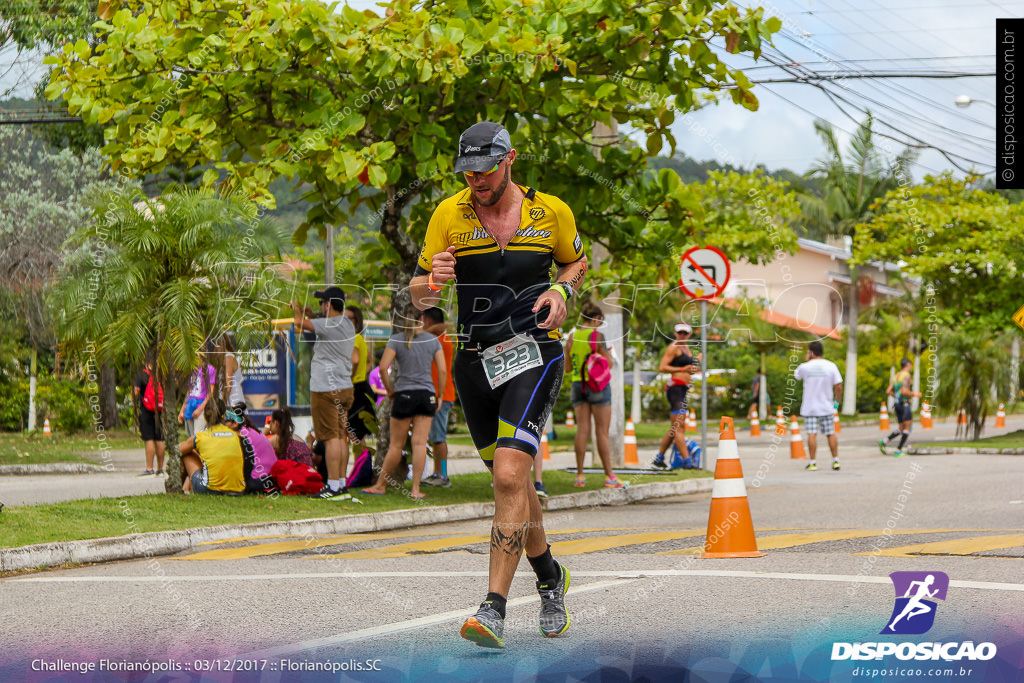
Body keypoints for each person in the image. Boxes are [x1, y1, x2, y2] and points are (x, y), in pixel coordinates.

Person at [411, 121, 586, 649]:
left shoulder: (549, 211)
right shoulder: (448, 214)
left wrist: (561, 291)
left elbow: (576, 263)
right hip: (476, 363)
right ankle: (551, 576)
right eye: (467, 170)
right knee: (513, 486)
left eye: (484, 169)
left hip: (535, 354)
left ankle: (493, 609)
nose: (476, 179)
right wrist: (431, 282)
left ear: (509, 159)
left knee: (512, 475)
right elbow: (420, 295)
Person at [360, 317, 445, 499]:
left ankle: (380, 485)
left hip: (403, 395)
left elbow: (383, 368)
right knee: (420, 443)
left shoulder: (397, 339)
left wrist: (390, 391)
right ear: (421, 319)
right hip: (426, 395)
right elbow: (443, 371)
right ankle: (415, 489)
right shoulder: (432, 341)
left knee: (396, 446)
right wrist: (440, 396)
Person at [291, 287, 357, 499]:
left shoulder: (328, 324)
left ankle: (333, 486)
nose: (320, 306)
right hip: (344, 386)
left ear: (328, 304)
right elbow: (318, 325)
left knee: (330, 439)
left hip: (325, 389)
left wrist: (298, 310)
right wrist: (311, 314)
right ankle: (342, 484)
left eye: (322, 303)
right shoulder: (347, 323)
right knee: (341, 436)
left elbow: (299, 324)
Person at [563, 301, 627, 489]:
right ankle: (609, 477)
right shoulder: (597, 336)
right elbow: (609, 363)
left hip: (577, 385)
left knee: (582, 430)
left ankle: (580, 476)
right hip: (598, 387)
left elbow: (567, 368)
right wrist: (609, 355)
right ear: (597, 319)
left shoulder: (571, 338)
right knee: (602, 433)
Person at [651, 323, 700, 469]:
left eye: (685, 333)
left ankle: (659, 458)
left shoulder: (686, 348)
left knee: (675, 428)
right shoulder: (673, 347)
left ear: (689, 334)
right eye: (680, 333)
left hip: (683, 388)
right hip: (675, 388)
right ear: (675, 332)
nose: (682, 335)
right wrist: (682, 368)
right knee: (679, 427)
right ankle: (687, 461)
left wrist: (693, 367)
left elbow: (687, 367)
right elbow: (662, 367)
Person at [178, 405, 253, 495]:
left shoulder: (201, 436)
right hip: (238, 491)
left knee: (187, 453)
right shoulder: (235, 435)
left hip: (210, 490)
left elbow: (178, 451)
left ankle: (180, 489)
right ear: (224, 416)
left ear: (205, 417)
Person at [420, 307, 456, 489]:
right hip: (440, 394)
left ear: (428, 321)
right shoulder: (441, 338)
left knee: (439, 437)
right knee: (436, 437)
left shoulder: (439, 339)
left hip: (441, 395)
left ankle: (442, 475)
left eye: (422, 320)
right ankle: (438, 473)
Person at [794, 340, 844, 471]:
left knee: (811, 434)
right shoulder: (831, 366)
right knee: (830, 433)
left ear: (811, 352)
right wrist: (837, 401)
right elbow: (838, 386)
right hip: (826, 406)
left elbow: (797, 376)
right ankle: (836, 460)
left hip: (809, 407)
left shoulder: (805, 367)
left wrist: (807, 360)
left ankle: (813, 462)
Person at [344, 305, 379, 449]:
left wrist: (349, 377)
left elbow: (355, 360)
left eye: (348, 318)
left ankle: (363, 466)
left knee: (353, 435)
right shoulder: (360, 339)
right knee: (355, 435)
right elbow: (369, 359)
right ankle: (363, 465)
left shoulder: (354, 338)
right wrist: (363, 372)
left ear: (356, 321)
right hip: (362, 386)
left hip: (356, 389)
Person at [133, 356, 165, 476]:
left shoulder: (141, 375)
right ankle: (160, 468)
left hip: (146, 410)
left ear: (144, 361)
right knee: (159, 439)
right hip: (160, 410)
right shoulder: (160, 375)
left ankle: (150, 468)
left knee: (149, 439)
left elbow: (136, 392)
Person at [881, 358, 918, 458]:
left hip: (897, 404)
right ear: (908, 364)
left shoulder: (897, 375)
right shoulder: (906, 375)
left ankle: (885, 441)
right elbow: (905, 391)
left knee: (901, 429)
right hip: (904, 404)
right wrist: (915, 394)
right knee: (908, 428)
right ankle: (898, 450)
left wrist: (897, 396)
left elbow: (888, 391)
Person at [236, 405, 278, 494]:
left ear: (234, 422)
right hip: (273, 478)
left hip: (258, 480)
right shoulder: (252, 430)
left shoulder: (240, 434)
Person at [178, 351, 216, 437]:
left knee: (198, 436)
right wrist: (182, 410)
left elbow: (211, 392)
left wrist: (200, 409)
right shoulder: (193, 369)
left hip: (202, 406)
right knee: (191, 438)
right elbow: (189, 391)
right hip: (190, 405)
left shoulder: (210, 369)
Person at [220, 334, 246, 409]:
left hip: (232, 400)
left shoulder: (228, 358)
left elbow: (228, 385)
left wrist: (222, 404)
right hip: (233, 399)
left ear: (221, 344)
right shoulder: (226, 357)